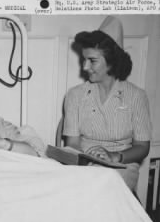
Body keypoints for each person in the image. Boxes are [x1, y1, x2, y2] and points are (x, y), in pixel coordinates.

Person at [63, 30, 152, 190]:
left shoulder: (136, 96)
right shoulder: (75, 95)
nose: (85, 67)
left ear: (111, 61)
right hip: (85, 163)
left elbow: (142, 147)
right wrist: (89, 159)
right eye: (84, 60)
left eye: (92, 61)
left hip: (122, 164)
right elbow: (72, 144)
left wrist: (114, 157)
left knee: (108, 185)